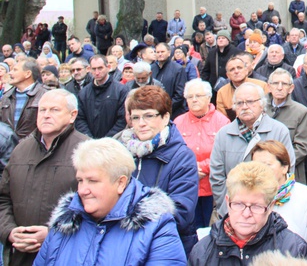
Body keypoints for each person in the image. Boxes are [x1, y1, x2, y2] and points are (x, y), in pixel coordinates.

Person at [35, 138, 185, 265]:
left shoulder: (156, 227)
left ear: (120, 183)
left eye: (92, 181)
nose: (82, 190)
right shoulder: (64, 224)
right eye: (80, 181)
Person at [0, 90, 85, 266]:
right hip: (20, 255)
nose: (46, 115)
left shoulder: (86, 151)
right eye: (42, 110)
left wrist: (53, 234)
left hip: (66, 255)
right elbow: (3, 198)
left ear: (72, 115)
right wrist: (8, 231)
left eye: (54, 110)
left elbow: (94, 209)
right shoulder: (21, 150)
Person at [119, 85, 199, 254]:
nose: (141, 123)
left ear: (165, 117)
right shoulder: (121, 152)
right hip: (123, 245)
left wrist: (128, 220)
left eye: (149, 116)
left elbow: (181, 212)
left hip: (164, 247)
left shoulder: (181, 156)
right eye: (136, 117)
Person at [189, 162, 307, 264]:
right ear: (227, 202)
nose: (246, 214)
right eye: (239, 204)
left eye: (256, 206)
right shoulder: (203, 251)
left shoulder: (292, 249)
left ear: (271, 206)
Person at [210, 83, 295, 216]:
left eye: (250, 102)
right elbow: (217, 176)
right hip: (234, 211)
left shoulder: (279, 131)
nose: (244, 107)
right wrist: (229, 208)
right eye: (239, 103)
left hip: (271, 209)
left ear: (262, 103)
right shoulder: (223, 134)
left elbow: (287, 170)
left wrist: (269, 208)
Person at [173, 79, 230, 229]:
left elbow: (224, 153)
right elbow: (174, 152)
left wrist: (203, 168)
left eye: (198, 95)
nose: (194, 100)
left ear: (208, 97)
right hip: (186, 186)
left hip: (213, 188)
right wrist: (191, 168)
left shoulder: (222, 122)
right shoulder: (178, 122)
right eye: (190, 97)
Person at [250, 141, 307, 244]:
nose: (260, 171)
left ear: (284, 168)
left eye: (267, 165)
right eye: (255, 166)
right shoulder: (247, 198)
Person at [264, 69, 307, 184]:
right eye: (275, 83)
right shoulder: (260, 108)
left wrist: (278, 164)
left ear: (291, 88)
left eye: (284, 84)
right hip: (261, 170)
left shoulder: (301, 111)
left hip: (289, 172)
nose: (279, 87)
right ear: (269, 87)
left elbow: (302, 148)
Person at [74, 54, 129, 139]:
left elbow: (122, 119)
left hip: (113, 142)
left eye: (100, 68)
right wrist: (88, 138)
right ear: (89, 69)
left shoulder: (121, 90)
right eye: (94, 69)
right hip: (89, 143)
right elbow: (80, 119)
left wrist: (107, 140)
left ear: (108, 67)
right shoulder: (84, 93)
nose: (97, 72)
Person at [0, 61, 47, 138]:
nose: (10, 73)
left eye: (15, 70)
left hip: (34, 147)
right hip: (9, 147)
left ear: (27, 74)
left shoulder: (45, 95)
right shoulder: (6, 97)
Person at [152, 42, 188, 116]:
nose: (160, 54)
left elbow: (180, 93)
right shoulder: (151, 68)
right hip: (154, 110)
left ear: (169, 53)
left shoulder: (178, 69)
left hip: (174, 111)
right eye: (157, 52)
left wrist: (166, 107)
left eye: (162, 52)